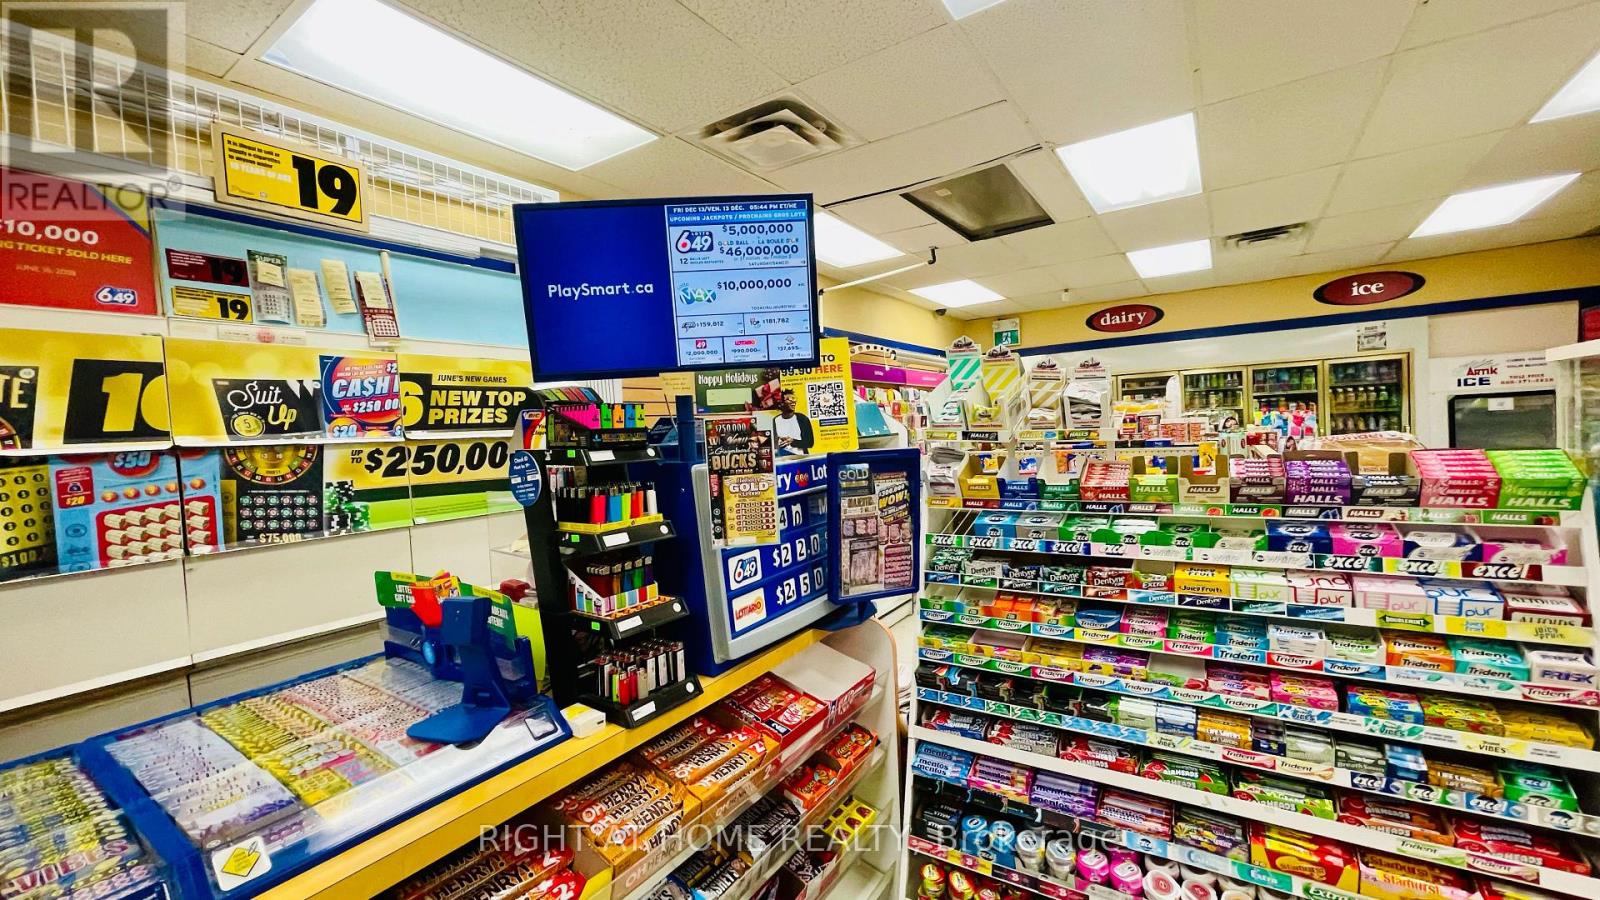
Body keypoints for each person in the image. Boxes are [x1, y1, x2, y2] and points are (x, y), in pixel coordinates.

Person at [774, 389, 814, 455]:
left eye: (794, 398)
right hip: (782, 458)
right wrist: (778, 440)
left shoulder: (802, 419)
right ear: (781, 403)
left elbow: (810, 443)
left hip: (800, 458)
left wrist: (792, 441)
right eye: (788, 399)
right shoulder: (775, 420)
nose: (793, 401)